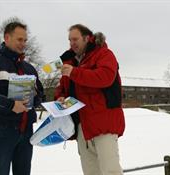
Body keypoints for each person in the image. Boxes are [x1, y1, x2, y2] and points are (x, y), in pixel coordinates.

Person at [0, 21, 44, 175]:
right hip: (2, 130)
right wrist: (11, 105)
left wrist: (36, 96)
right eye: (19, 39)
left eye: (25, 40)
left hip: (26, 132)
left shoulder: (29, 68)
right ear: (7, 37)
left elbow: (40, 96)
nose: (23, 44)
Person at [55, 24, 125, 175]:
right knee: (90, 172)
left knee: (110, 172)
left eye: (75, 39)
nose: (72, 43)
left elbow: (105, 77)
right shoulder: (70, 62)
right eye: (69, 40)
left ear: (87, 38)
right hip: (82, 128)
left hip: (104, 125)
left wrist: (75, 72)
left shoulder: (104, 54)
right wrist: (59, 97)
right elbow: (62, 87)